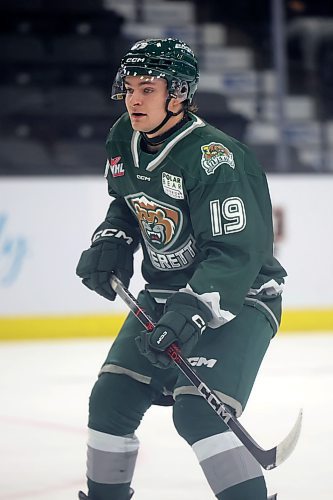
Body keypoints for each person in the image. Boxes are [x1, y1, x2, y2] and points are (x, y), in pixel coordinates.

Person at [76, 38, 286, 500]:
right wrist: (113, 240)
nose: (133, 99)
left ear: (179, 94)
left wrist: (191, 311)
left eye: (147, 88)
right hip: (166, 294)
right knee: (109, 401)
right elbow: (129, 204)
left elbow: (237, 251)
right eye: (129, 87)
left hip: (241, 296)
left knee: (198, 414)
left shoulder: (216, 158)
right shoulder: (122, 138)